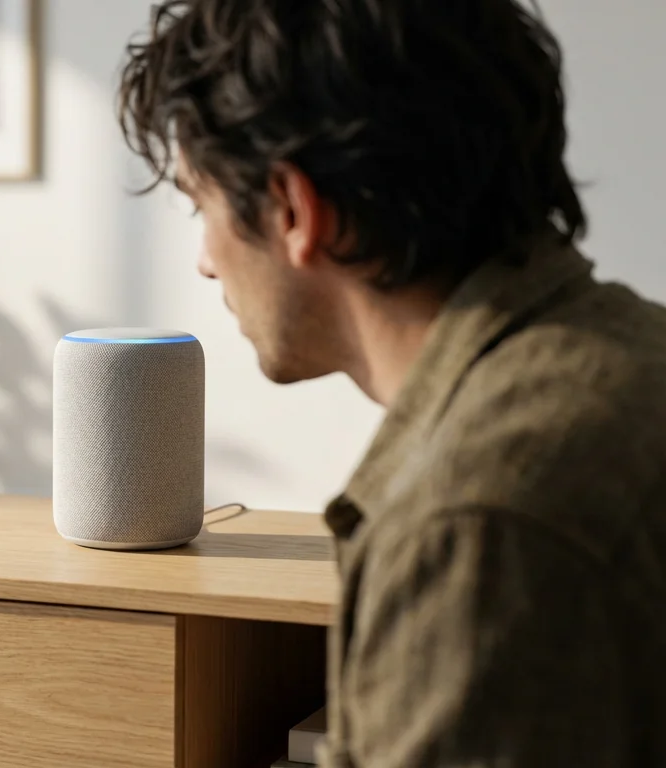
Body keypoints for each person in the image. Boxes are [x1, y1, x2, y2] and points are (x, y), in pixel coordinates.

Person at [118, 1, 666, 765]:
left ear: (294, 209)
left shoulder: (475, 525)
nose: (205, 261)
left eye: (198, 203)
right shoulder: (640, 352)